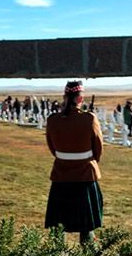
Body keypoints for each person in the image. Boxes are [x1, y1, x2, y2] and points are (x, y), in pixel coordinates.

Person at [44, 80, 104, 244]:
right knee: (87, 227)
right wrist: (89, 162)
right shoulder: (89, 119)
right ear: (80, 99)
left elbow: (53, 148)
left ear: (65, 97)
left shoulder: (53, 120)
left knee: (58, 225)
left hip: (61, 176)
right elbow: (98, 148)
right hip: (85, 175)